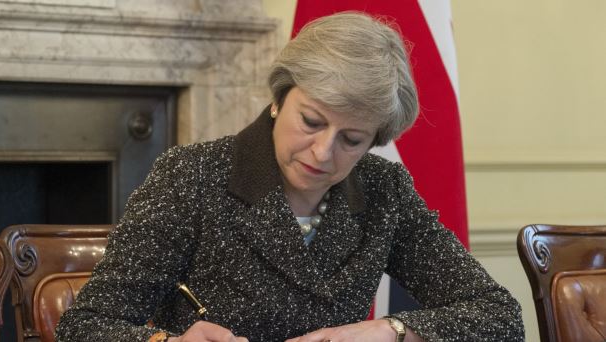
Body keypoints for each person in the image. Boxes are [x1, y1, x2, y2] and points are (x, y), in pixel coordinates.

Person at [56, 11, 524, 342]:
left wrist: (389, 330)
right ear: (279, 98)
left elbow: (498, 315)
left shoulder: (385, 190)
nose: (323, 152)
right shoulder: (192, 175)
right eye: (312, 121)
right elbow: (87, 326)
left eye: (352, 139)